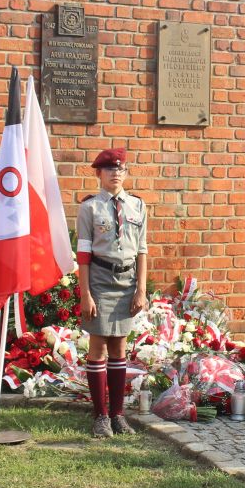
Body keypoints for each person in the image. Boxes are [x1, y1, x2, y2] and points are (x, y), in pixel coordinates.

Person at [77, 147, 149, 439]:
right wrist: (85, 294)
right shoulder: (90, 207)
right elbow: (82, 253)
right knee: (98, 347)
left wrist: (141, 289)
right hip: (99, 279)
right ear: (99, 174)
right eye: (110, 170)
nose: (116, 174)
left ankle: (118, 415)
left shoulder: (137, 205)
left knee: (119, 348)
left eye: (120, 170)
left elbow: (142, 249)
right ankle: (100, 416)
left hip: (127, 281)